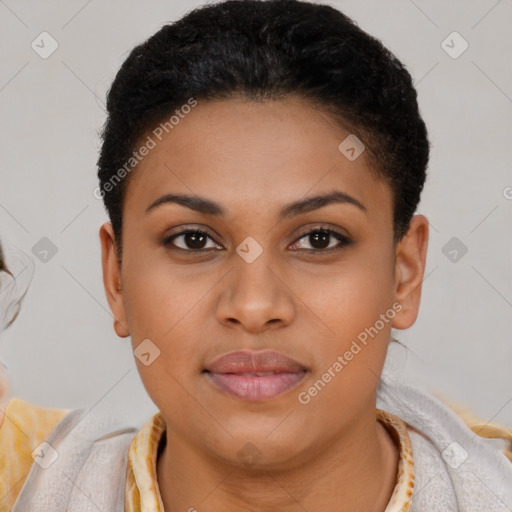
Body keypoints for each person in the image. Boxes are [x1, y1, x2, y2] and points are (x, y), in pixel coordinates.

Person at [1, 1, 511, 511]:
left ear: (405, 274)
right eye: (193, 240)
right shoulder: (18, 478)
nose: (253, 305)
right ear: (116, 277)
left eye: (319, 239)